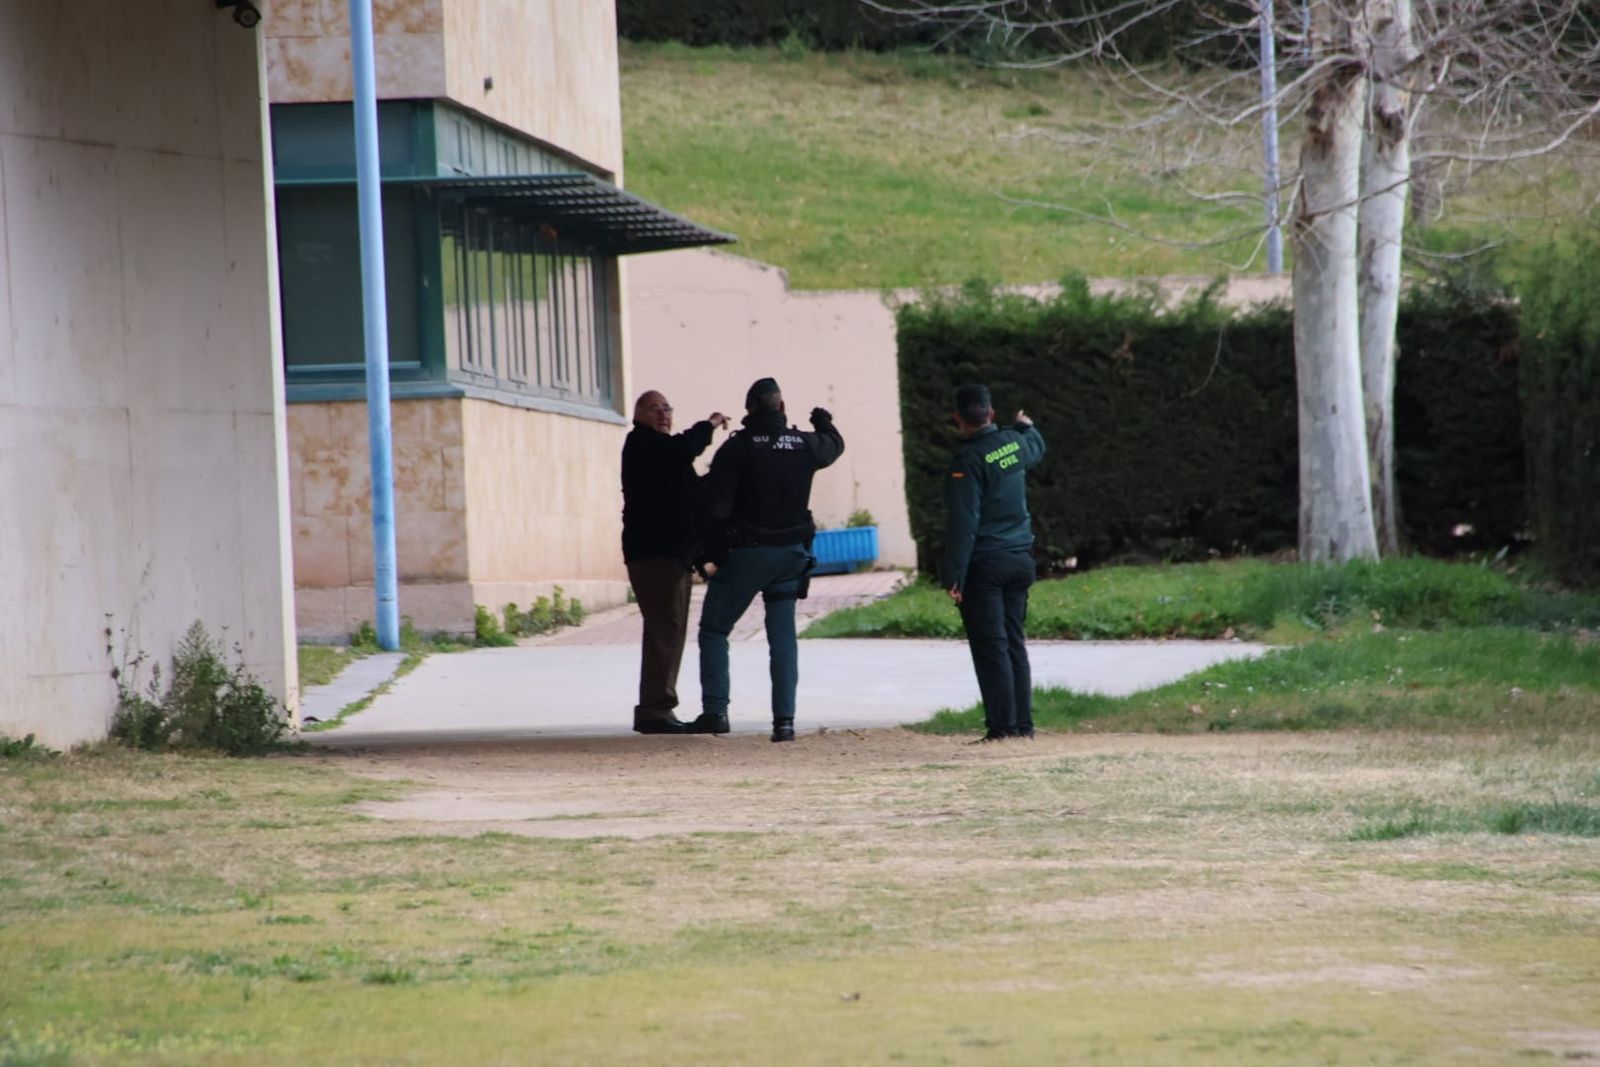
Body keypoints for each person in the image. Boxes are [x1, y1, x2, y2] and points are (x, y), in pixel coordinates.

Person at [685, 377, 845, 742]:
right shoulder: (804, 443)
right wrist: (823, 421)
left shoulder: (738, 447)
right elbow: (834, 445)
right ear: (782, 408)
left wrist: (705, 544)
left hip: (749, 553)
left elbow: (717, 506)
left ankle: (716, 712)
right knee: (783, 637)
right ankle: (784, 723)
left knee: (714, 630)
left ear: (749, 410)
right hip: (792, 555)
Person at [942, 383, 1047, 741]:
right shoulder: (1014, 444)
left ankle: (1001, 728)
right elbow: (1036, 446)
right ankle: (1023, 726)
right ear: (991, 413)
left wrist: (954, 574)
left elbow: (963, 523)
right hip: (1020, 558)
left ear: (958, 417)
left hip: (986, 564)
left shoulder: (967, 461)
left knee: (991, 647)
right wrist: (1026, 426)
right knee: (1014, 642)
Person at [621, 390, 729, 734]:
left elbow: (692, 492)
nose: (664, 414)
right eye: (655, 409)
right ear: (638, 415)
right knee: (665, 630)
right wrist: (710, 425)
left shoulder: (665, 454)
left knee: (666, 629)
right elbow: (682, 448)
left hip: (672, 554)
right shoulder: (644, 445)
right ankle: (655, 709)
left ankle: (657, 706)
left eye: (668, 408)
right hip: (655, 554)